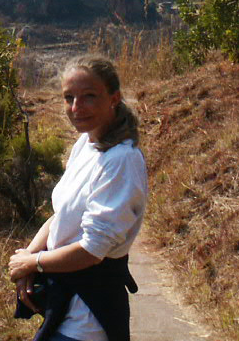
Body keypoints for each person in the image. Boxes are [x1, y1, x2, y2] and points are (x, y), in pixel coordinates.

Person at [8, 54, 148, 341]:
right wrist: (28, 258)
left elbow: (91, 251)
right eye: (68, 97)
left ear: (114, 98)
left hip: (87, 318)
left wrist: (34, 264)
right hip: (64, 306)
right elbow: (62, 214)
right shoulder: (86, 143)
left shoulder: (121, 160)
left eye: (89, 96)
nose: (76, 107)